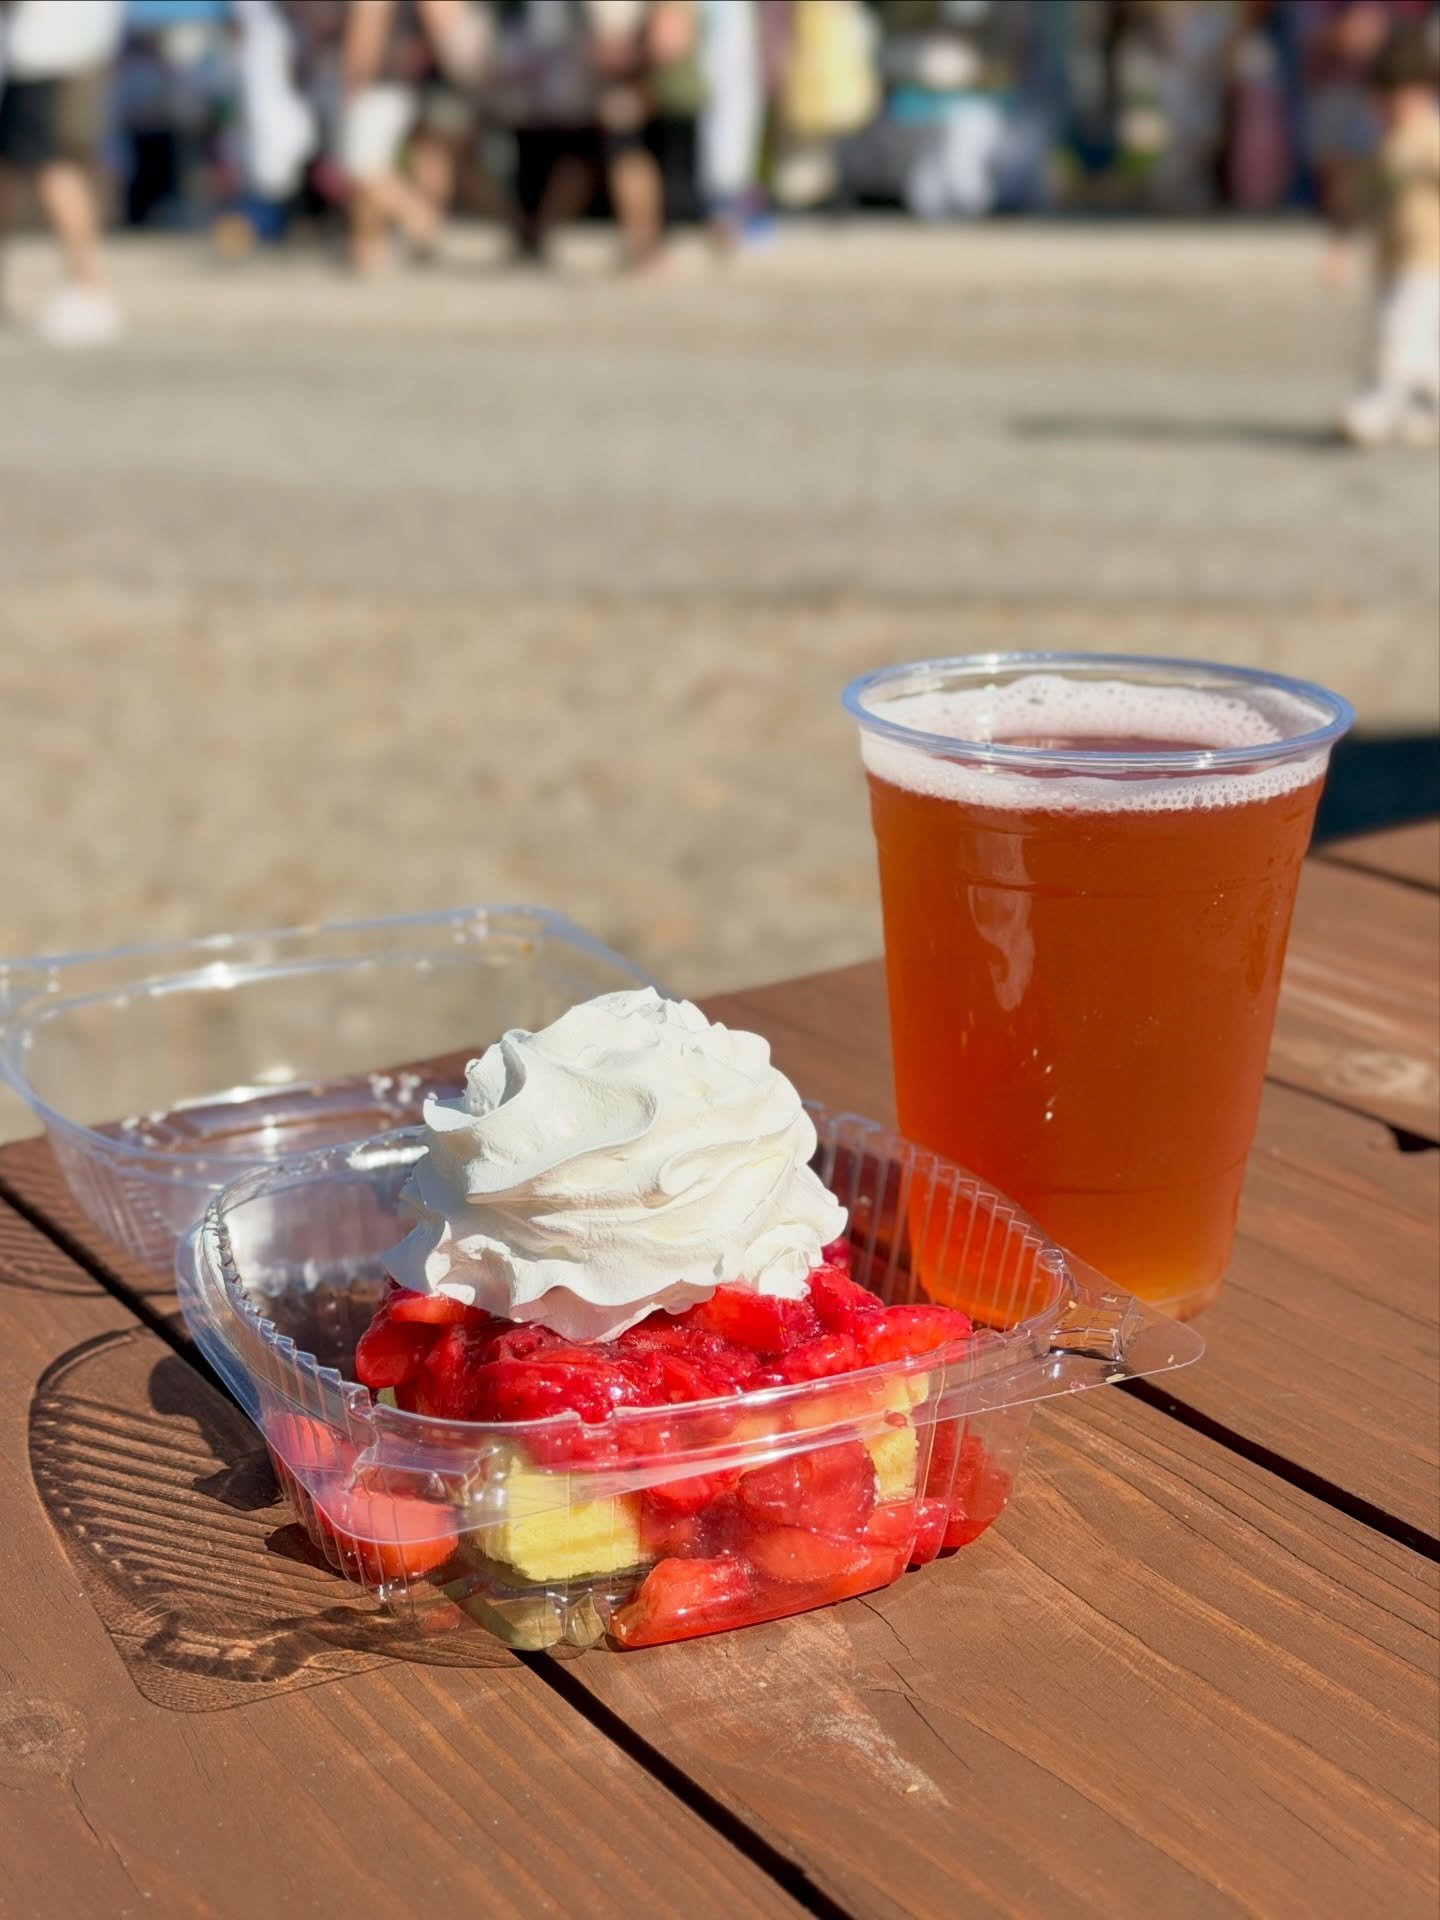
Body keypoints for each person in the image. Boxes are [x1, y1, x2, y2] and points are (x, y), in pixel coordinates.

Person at [0, 0, 124, 346]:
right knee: (22, 167)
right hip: (59, 48)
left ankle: (89, 288)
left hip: (45, 51)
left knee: (52, 165)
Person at [1341, 20, 1440, 447]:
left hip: (1429, 257)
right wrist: (1340, 239)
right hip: (1391, 257)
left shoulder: (1430, 137)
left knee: (1398, 330)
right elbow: (1363, 197)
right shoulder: (1385, 142)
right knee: (1416, 339)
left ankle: (1377, 406)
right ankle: (1423, 406)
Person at [339, 0, 489, 273]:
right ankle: (366, 250)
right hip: (398, 84)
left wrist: (355, 78)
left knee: (362, 171)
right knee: (374, 172)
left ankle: (423, 221)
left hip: (377, 87)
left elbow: (368, 29)